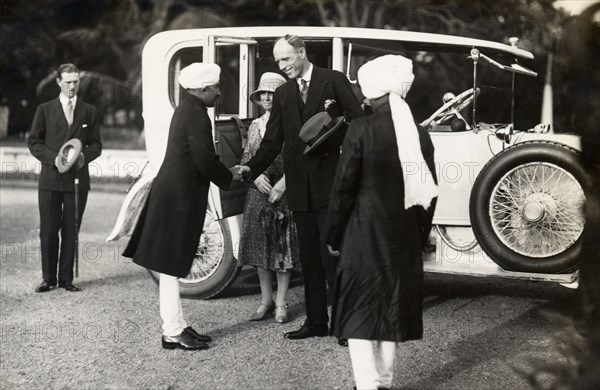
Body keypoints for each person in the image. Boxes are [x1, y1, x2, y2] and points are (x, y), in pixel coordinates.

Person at [233, 35, 364, 344]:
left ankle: (345, 325)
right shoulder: (284, 93)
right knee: (309, 258)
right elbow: (272, 142)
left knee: (333, 254)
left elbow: (358, 122)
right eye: (278, 61)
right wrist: (253, 167)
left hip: (332, 183)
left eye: (286, 59)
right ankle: (317, 321)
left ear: (302, 52)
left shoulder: (333, 80)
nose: (282, 66)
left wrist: (332, 137)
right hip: (300, 188)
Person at [323, 55, 438, 390]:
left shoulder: (360, 128)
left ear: (373, 94)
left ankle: (367, 385)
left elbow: (343, 188)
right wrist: (419, 236)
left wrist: (332, 232)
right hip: (401, 236)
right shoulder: (419, 134)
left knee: (359, 312)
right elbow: (428, 195)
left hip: (361, 234)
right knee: (391, 310)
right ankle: (384, 383)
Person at [123, 63, 236, 351]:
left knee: (172, 265)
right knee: (171, 266)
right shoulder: (196, 114)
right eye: (214, 88)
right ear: (202, 89)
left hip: (174, 196)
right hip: (178, 199)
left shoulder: (187, 109)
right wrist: (230, 176)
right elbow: (204, 159)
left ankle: (177, 325)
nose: (218, 92)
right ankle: (172, 330)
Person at [28, 63, 102, 293]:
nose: (72, 86)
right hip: (51, 179)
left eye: (76, 81)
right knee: (49, 230)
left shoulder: (89, 110)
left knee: (71, 229)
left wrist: (83, 157)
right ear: (59, 82)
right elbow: (34, 142)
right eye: (68, 82)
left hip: (78, 180)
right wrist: (55, 159)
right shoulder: (45, 109)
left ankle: (66, 279)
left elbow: (96, 145)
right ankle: (48, 279)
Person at [238, 72, 300, 323]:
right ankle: (266, 301)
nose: (265, 97)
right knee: (259, 247)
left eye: (271, 93)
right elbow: (247, 160)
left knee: (282, 248)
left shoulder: (293, 123)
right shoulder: (255, 125)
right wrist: (255, 176)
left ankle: (282, 302)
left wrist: (284, 183)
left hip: (284, 191)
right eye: (262, 93)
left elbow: (300, 159)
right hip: (259, 192)